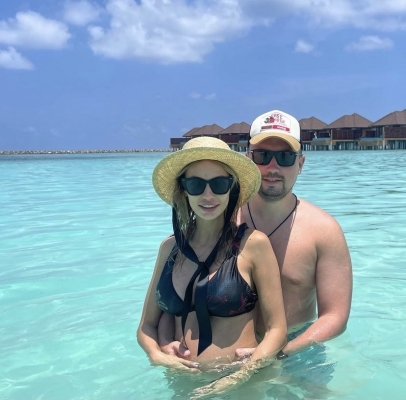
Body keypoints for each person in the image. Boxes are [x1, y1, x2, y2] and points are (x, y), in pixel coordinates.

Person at [158, 110, 353, 373]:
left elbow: (335, 317)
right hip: (226, 356)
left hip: (297, 351)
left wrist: (278, 353)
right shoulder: (217, 213)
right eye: (262, 156)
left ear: (301, 163)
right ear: (248, 159)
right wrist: (165, 340)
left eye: (285, 157)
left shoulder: (324, 231)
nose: (273, 167)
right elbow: (178, 288)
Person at [137, 136, 287, 395]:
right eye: (196, 184)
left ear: (232, 188)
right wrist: (156, 355)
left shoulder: (253, 245)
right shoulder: (169, 249)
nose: (208, 195)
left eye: (219, 184)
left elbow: (278, 330)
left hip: (241, 381)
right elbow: (146, 326)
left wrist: (241, 375)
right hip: (182, 382)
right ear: (183, 189)